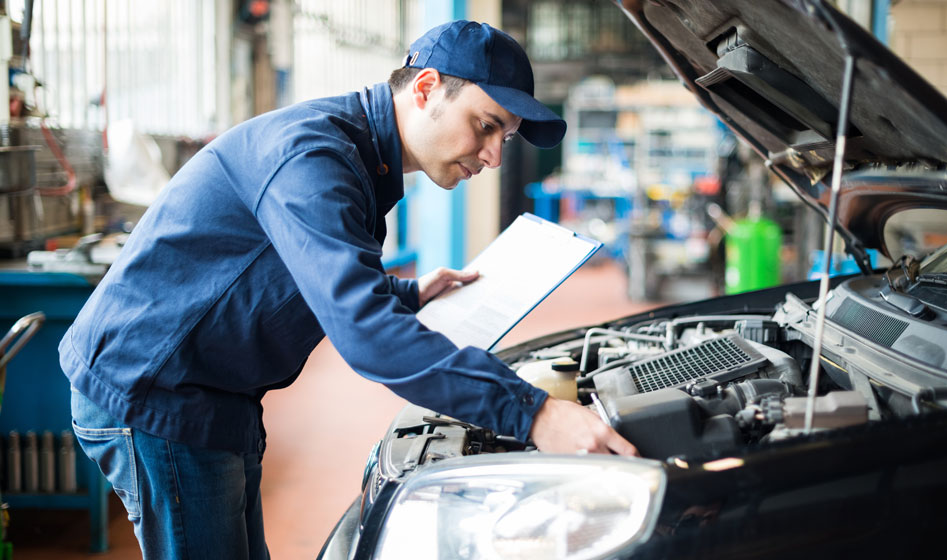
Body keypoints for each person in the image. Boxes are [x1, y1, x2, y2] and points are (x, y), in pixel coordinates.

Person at [61, 20, 637, 558]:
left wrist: (407, 293)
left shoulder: (363, 160)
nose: (491, 155)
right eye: (486, 125)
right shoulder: (315, 157)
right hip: (157, 390)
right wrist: (535, 415)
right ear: (427, 88)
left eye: (504, 139)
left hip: (215, 390)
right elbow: (365, 334)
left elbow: (293, 269)